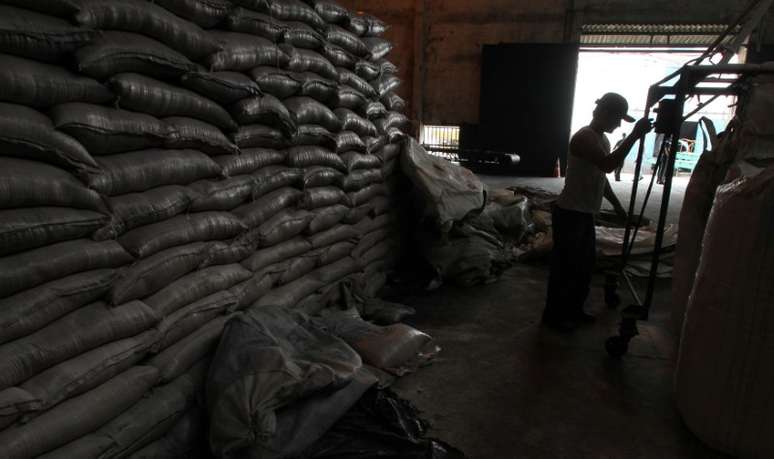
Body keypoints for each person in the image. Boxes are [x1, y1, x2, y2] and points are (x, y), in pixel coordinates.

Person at [543, 93, 653, 331]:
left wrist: (618, 207)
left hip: (584, 214)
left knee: (584, 267)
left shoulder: (602, 140)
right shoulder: (583, 138)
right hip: (570, 213)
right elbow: (607, 165)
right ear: (603, 114)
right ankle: (553, 316)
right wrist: (635, 135)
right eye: (617, 119)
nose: (618, 124)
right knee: (565, 269)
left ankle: (573, 310)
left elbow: (602, 177)